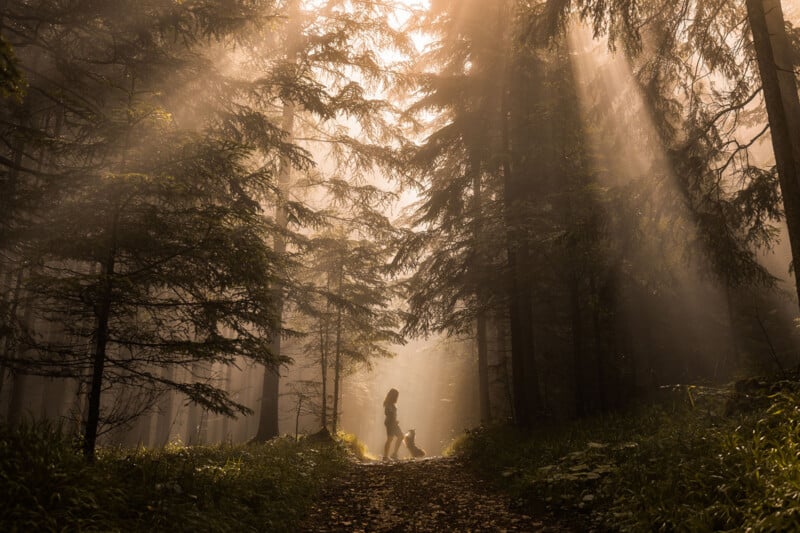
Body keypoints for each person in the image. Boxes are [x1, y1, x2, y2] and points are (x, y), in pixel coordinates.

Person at [383, 388, 403, 461]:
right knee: (390, 439)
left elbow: (392, 414)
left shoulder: (392, 404)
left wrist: (395, 421)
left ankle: (394, 454)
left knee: (400, 436)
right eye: (396, 396)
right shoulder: (388, 404)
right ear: (393, 396)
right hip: (390, 424)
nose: (397, 397)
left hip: (393, 423)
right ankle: (385, 456)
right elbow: (388, 413)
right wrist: (394, 421)